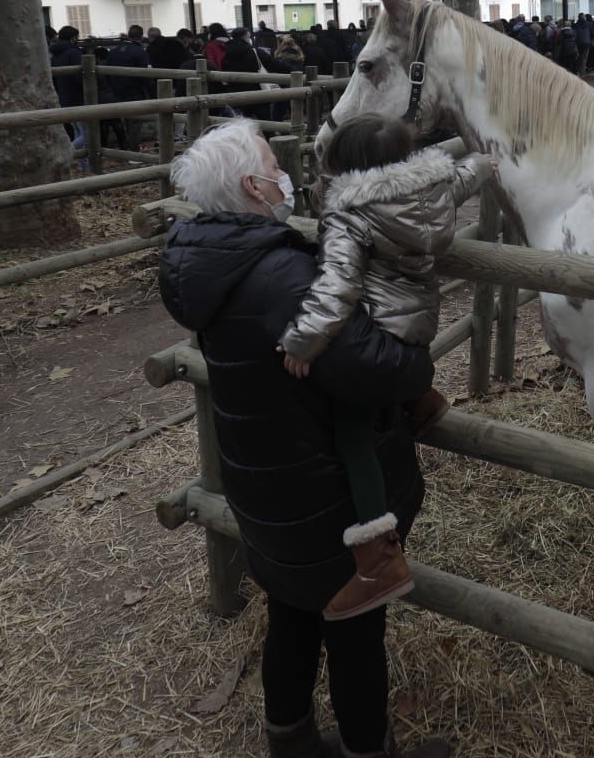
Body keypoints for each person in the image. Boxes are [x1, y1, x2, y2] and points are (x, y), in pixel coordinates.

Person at [160, 122, 449, 758]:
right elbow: (368, 367)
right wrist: (419, 369)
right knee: (352, 624)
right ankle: (370, 749)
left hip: (262, 476)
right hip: (321, 488)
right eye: (273, 165)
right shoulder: (281, 278)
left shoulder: (205, 257)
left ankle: (287, 736)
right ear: (252, 186)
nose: (284, 174)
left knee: (291, 606)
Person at [280, 116, 494, 618]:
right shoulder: (433, 185)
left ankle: (379, 562)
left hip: (378, 334)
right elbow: (463, 178)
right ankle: (420, 401)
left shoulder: (350, 215)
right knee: (385, 375)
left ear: (341, 166)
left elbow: (336, 287)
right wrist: (484, 164)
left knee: (351, 431)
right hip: (417, 328)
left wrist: (301, 342)